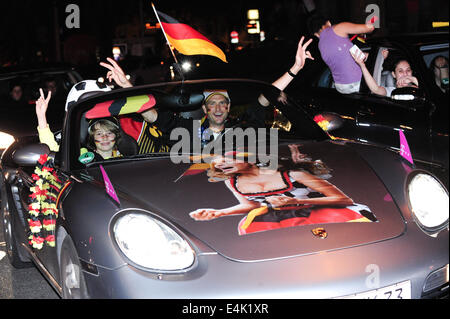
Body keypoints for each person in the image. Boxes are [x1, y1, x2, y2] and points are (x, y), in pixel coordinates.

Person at [115, 36, 314, 147]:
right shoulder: (187, 130)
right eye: (212, 102)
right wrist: (127, 87)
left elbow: (268, 95)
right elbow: (151, 115)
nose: (218, 107)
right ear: (204, 108)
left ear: (229, 107)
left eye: (222, 102)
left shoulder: (243, 129)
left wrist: (294, 69)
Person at [189, 145, 376, 235]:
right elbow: (251, 206)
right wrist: (219, 212)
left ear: (250, 158)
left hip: (322, 212)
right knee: (249, 227)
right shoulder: (233, 182)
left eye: (228, 158)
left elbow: (344, 200)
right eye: (220, 162)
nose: (222, 165)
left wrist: (294, 201)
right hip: (278, 218)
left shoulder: (293, 174)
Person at [35, 88, 122, 161]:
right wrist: (41, 116)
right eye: (99, 133)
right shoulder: (82, 155)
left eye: (109, 133)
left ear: (116, 135)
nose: (105, 137)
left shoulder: (127, 156)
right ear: (92, 137)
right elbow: (53, 150)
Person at [307, 15, 375, 94]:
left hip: (340, 87)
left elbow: (347, 57)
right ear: (328, 23)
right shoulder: (339, 28)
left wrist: (371, 56)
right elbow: (369, 28)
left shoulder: (320, 46)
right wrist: (370, 23)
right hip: (356, 82)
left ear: (316, 34)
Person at [351, 50, 419, 97]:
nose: (405, 74)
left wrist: (414, 80)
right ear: (394, 74)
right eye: (400, 71)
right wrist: (362, 66)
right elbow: (376, 89)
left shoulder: (419, 89)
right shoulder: (391, 91)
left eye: (408, 70)